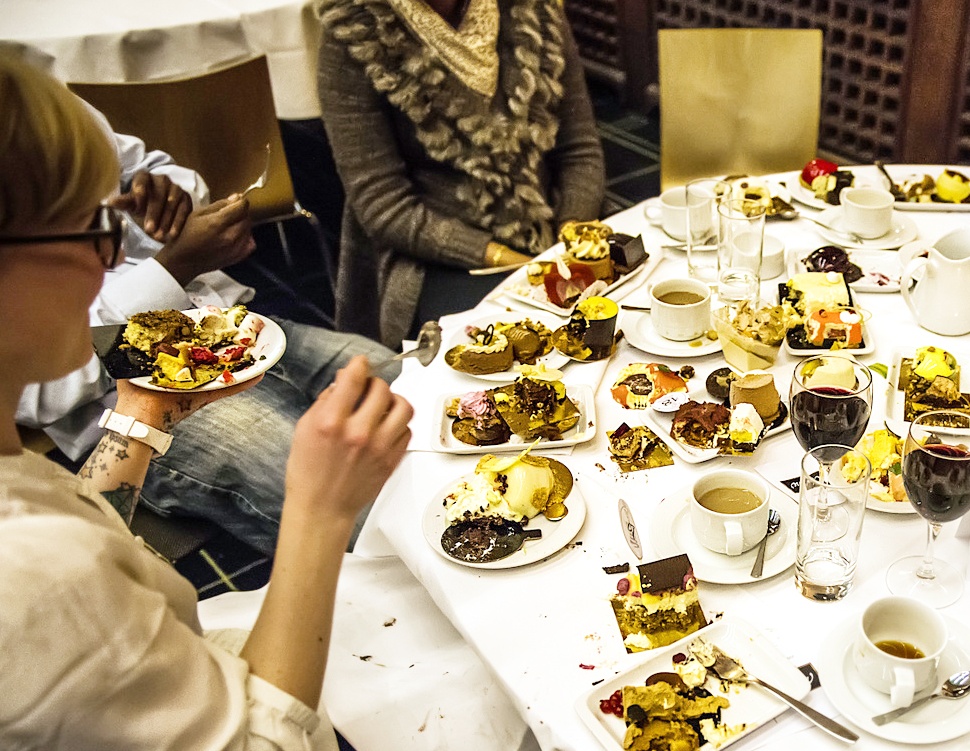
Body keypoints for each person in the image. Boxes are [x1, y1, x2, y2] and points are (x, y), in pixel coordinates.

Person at [0, 55, 413, 748]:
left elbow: (87, 517)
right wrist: (315, 511)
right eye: (93, 231)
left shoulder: (21, 485)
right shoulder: (38, 580)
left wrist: (142, 410)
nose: (111, 262)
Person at [15, 105, 399, 554]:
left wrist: (167, 196)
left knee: (426, 398)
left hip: (237, 324)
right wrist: (171, 270)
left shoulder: (36, 101)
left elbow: (144, 169)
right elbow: (37, 386)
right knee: (359, 511)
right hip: (134, 400)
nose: (108, 253)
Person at [317, 0, 606, 348]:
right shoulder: (357, 26)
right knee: (517, 352)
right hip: (435, 255)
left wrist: (571, 236)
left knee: (615, 325)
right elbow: (384, 207)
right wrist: (513, 263)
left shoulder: (536, 10)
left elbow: (580, 149)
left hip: (548, 235)